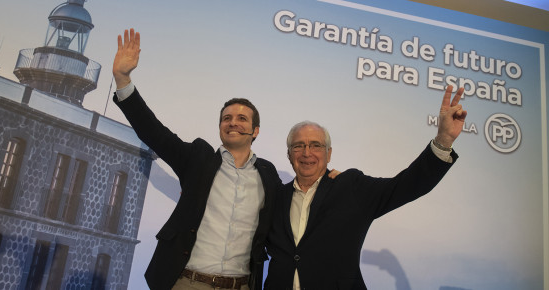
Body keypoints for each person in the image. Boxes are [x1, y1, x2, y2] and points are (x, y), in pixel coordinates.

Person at [112, 29, 282, 290]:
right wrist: (123, 79)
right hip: (188, 282)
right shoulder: (198, 159)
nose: (233, 122)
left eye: (242, 119)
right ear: (220, 126)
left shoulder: (268, 175)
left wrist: (329, 178)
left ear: (255, 130)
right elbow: (154, 132)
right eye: (227, 118)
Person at [264, 86, 467, 289]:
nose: (307, 153)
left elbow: (406, 186)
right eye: (298, 146)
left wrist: (444, 140)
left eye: (316, 145)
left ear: (329, 154)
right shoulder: (275, 196)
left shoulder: (350, 186)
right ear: (289, 155)